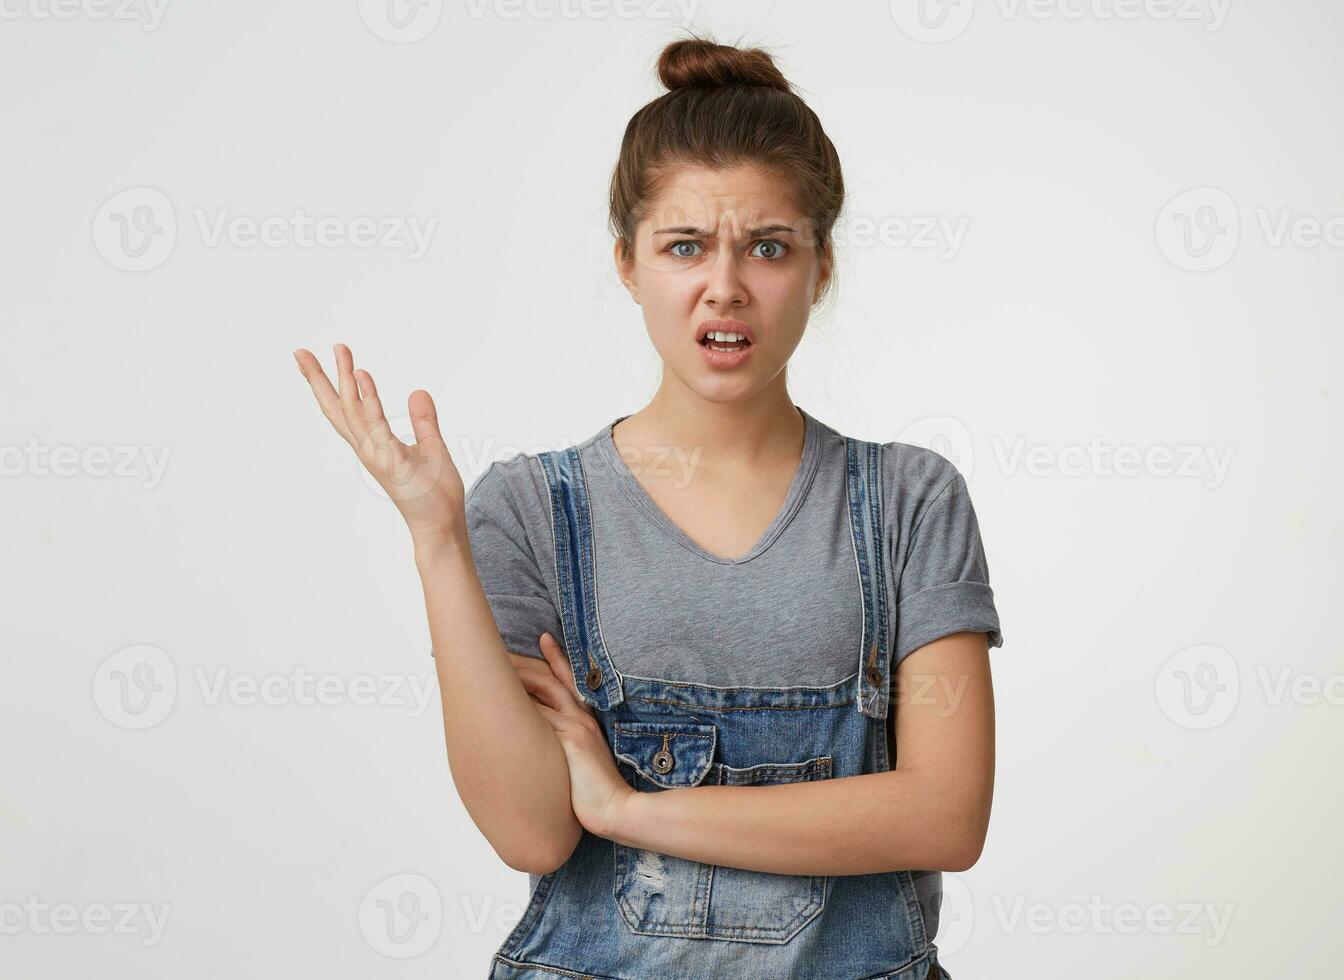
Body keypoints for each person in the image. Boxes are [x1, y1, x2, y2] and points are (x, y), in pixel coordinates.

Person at [293, 33, 1002, 980]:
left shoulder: (911, 502)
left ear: (821, 266)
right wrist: (436, 542)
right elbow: (532, 831)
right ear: (627, 264)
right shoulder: (530, 510)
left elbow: (945, 818)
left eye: (768, 246)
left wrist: (631, 811)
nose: (726, 285)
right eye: (684, 246)